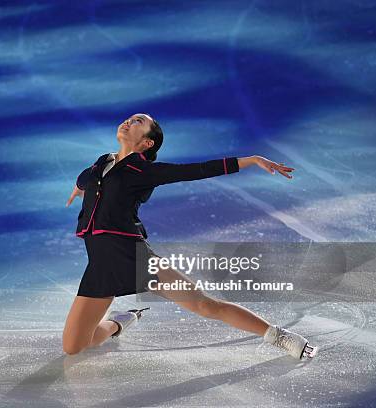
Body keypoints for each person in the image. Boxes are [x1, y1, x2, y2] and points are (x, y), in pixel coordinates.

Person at [62, 113, 317, 360]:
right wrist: (80, 186)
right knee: (74, 346)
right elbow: (87, 178)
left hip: (135, 259)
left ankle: (279, 336)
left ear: (147, 142)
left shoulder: (143, 171)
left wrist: (249, 160)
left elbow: (196, 170)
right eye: (130, 118)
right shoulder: (102, 164)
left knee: (205, 306)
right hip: (100, 266)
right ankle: (120, 322)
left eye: (138, 121)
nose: (129, 121)